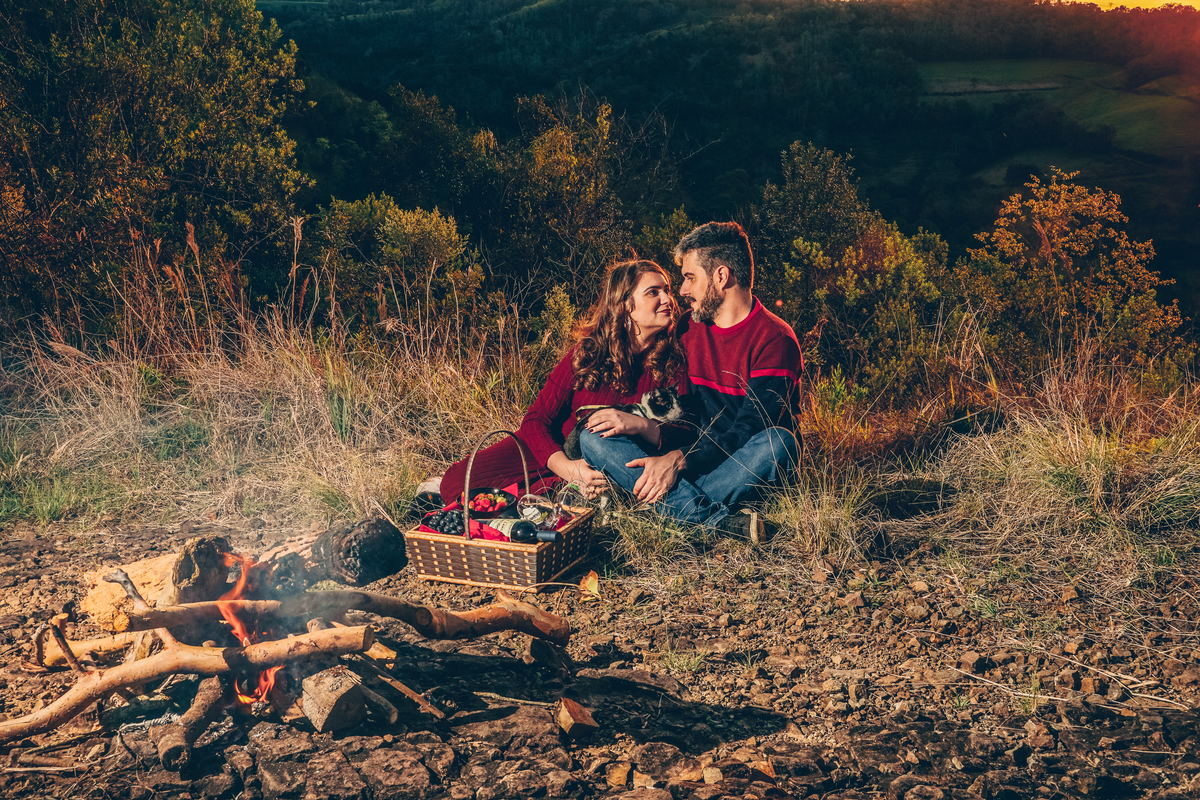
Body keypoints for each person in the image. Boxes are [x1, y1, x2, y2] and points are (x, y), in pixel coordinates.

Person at [577, 222, 801, 542]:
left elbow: (750, 429)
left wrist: (678, 461)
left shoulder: (775, 340)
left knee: (780, 442)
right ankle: (712, 520)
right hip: (690, 463)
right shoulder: (688, 328)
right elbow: (682, 410)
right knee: (592, 437)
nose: (682, 291)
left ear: (721, 276)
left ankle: (670, 510)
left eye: (690, 278)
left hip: (733, 464)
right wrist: (639, 425)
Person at [429, 259, 688, 509]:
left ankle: (553, 499)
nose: (668, 299)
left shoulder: (674, 361)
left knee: (594, 490)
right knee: (456, 481)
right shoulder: (588, 354)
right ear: (625, 305)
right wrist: (566, 468)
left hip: (608, 460)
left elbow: (687, 433)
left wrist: (642, 425)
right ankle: (552, 493)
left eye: (667, 290)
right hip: (555, 450)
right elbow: (536, 420)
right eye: (654, 292)